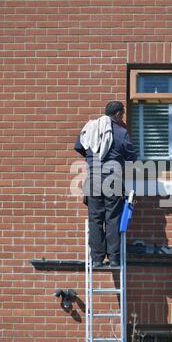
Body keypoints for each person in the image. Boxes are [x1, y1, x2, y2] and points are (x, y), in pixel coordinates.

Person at [74, 101, 137, 267]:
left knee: (95, 219)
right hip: (113, 180)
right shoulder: (121, 132)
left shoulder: (90, 129)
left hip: (93, 179)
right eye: (122, 114)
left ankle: (96, 259)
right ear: (117, 114)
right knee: (112, 218)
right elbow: (132, 157)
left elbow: (78, 146)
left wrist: (93, 159)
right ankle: (114, 258)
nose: (122, 117)